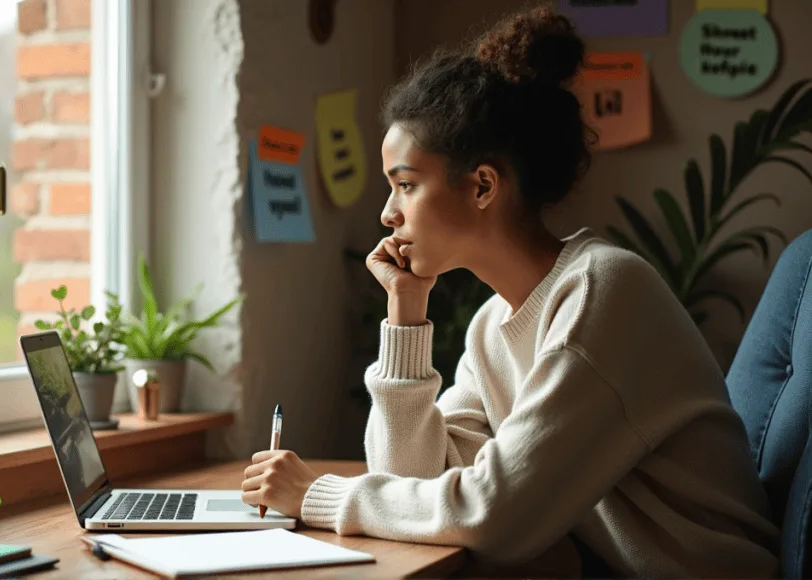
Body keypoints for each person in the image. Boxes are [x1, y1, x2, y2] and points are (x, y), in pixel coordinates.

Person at [240, 5, 780, 577]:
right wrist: (405, 314)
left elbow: (493, 515)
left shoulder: (602, 293)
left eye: (406, 185)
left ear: (482, 186)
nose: (387, 213)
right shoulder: (492, 326)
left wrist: (319, 495)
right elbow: (414, 486)